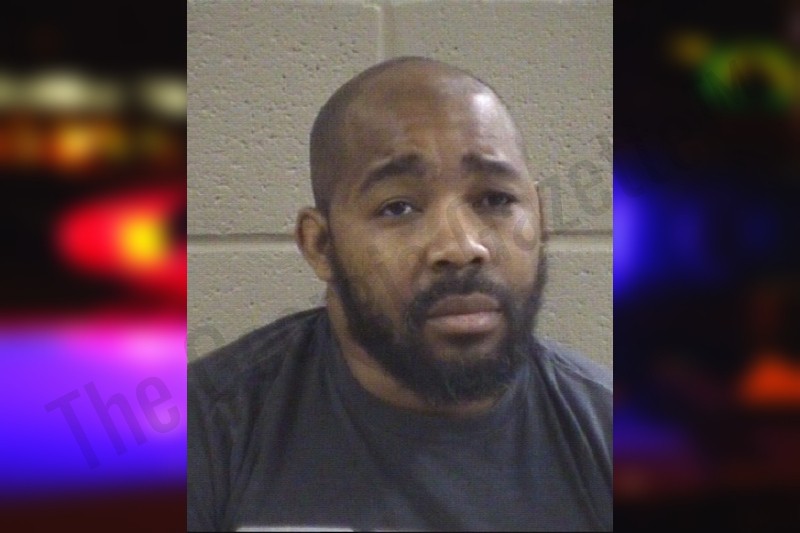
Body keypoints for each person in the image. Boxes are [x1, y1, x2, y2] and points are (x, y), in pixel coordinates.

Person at [188, 56, 612, 532]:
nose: (460, 247)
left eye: (495, 200)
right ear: (321, 246)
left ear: (541, 220)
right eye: (399, 207)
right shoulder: (205, 428)